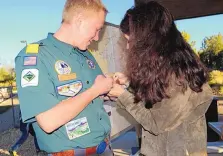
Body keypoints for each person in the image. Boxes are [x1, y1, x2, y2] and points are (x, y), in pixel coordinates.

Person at [108, 1, 213, 156]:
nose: (129, 47)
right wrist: (130, 82)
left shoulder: (178, 74)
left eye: (130, 41)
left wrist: (122, 95)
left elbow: (157, 122)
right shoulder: (165, 68)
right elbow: (158, 99)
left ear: (147, 39)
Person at [15, 0, 114, 155]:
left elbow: (92, 96)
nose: (96, 37)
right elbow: (48, 121)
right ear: (79, 21)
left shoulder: (84, 54)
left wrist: (108, 89)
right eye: (96, 29)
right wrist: (95, 90)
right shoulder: (36, 57)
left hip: (104, 148)